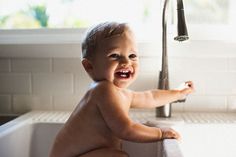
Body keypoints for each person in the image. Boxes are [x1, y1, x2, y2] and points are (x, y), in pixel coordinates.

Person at [49, 22, 194, 157]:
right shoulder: (103, 90)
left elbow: (150, 97)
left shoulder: (117, 92)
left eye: (132, 56)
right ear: (89, 66)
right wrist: (160, 134)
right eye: (114, 56)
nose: (126, 62)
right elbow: (126, 129)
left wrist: (178, 93)